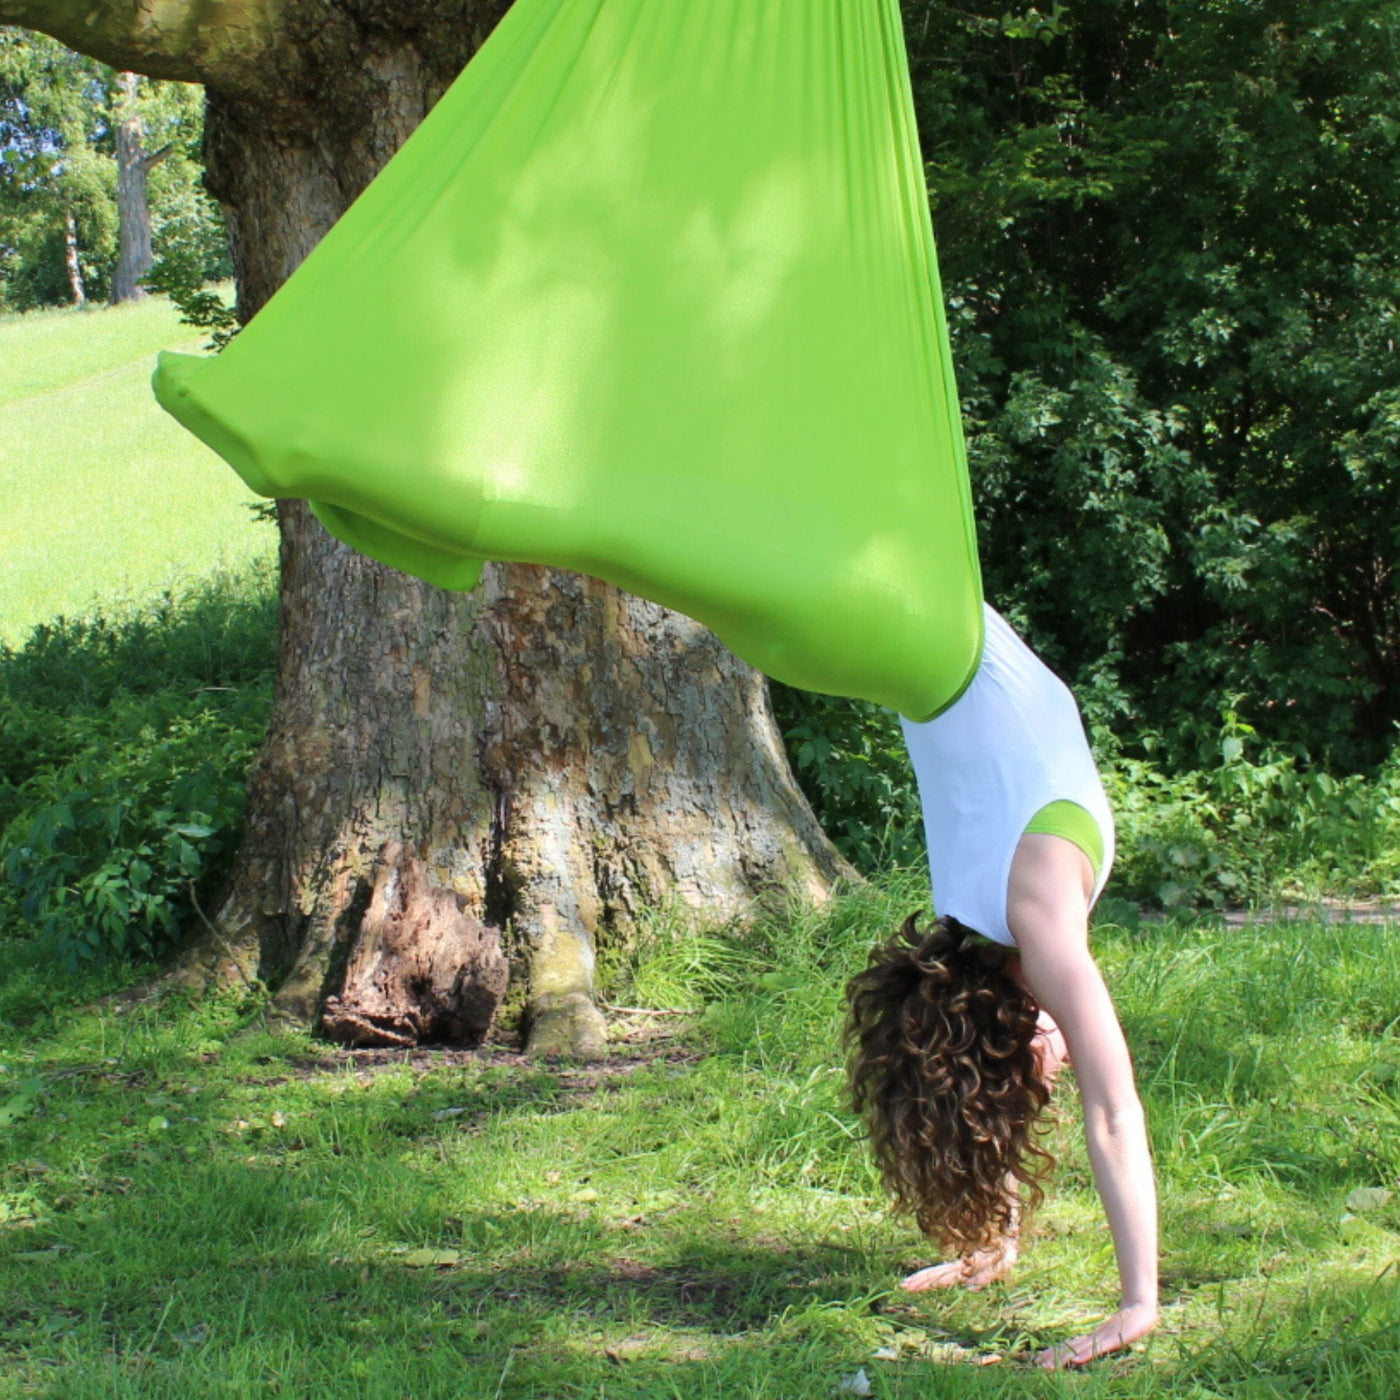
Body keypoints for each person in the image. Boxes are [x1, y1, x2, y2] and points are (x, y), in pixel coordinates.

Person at [844, 602, 1160, 1370]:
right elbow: (1020, 1065)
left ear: (1008, 1036)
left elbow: (1115, 1113)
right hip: (932, 654)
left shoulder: (1033, 925)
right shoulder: (988, 926)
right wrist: (995, 1236)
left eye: (1016, 1098)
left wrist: (1137, 1305)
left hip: (930, 629)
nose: (1048, 1091)